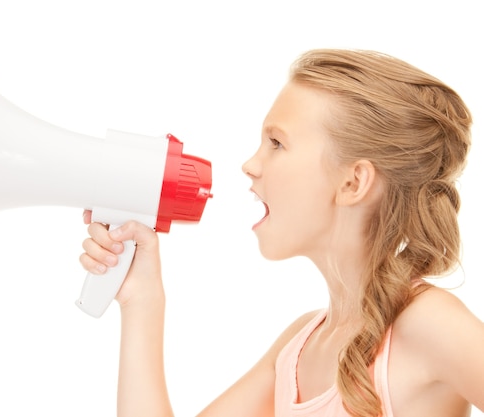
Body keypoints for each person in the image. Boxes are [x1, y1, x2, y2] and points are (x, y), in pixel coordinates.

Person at [79, 49, 484, 417]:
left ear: (353, 183)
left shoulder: (430, 324)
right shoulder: (297, 348)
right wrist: (142, 301)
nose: (250, 165)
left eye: (276, 143)